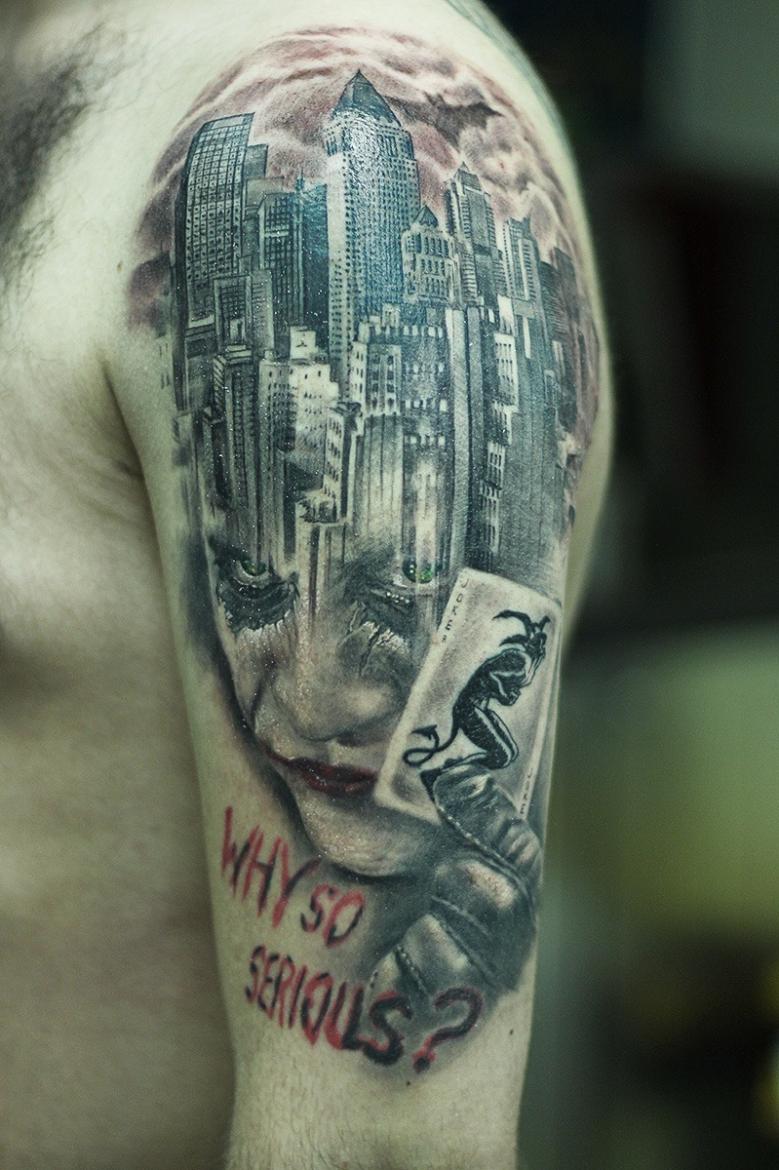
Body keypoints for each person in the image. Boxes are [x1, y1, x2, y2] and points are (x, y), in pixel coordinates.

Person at [0, 1, 612, 1167]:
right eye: (254, 588)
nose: (313, 701)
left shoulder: (313, 84)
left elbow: (388, 1150)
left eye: (392, 598)